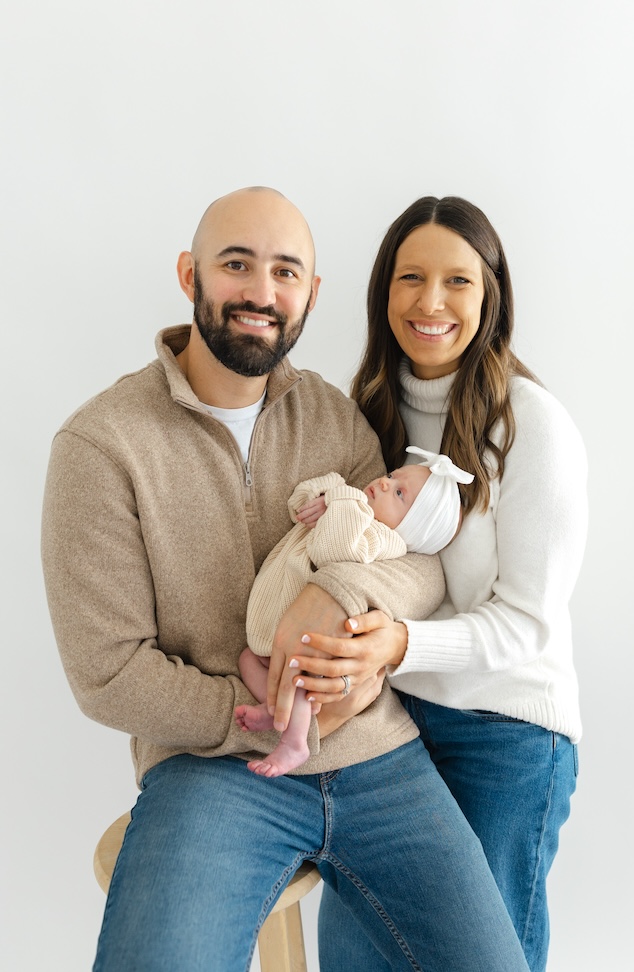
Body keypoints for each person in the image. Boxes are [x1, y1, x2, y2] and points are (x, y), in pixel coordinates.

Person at [41, 186, 532, 972]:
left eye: (286, 272)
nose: (261, 293)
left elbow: (416, 564)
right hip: (213, 773)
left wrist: (337, 601)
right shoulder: (102, 447)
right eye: (236, 265)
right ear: (188, 274)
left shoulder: (336, 417)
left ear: (311, 293)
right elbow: (107, 673)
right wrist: (263, 719)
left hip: (380, 758)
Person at [276, 195, 587, 972]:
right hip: (390, 724)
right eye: (410, 278)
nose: (432, 302)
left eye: (458, 281)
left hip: (505, 736)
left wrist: (402, 643)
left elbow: (528, 623)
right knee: (355, 953)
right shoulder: (368, 417)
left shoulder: (530, 425)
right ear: (385, 293)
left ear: (491, 299)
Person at [237, 448, 474, 777]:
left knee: (301, 676)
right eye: (392, 476)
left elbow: (334, 549)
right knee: (249, 660)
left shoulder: (382, 538)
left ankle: (295, 742)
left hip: (318, 639)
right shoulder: (353, 508)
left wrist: (342, 499)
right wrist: (325, 495)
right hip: (277, 624)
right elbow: (299, 506)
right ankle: (276, 710)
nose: (385, 484)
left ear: (410, 528)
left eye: (400, 494)